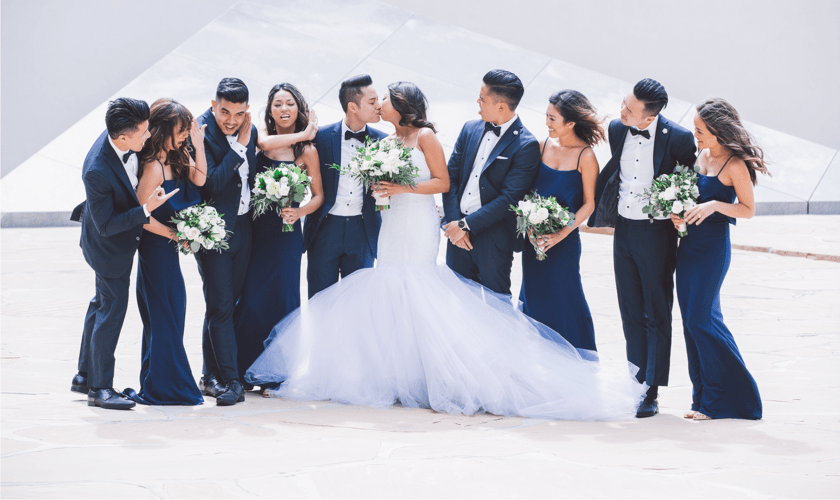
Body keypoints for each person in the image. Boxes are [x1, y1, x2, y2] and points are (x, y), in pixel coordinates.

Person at [246, 82, 645, 420]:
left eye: (385, 100)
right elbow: (454, 177)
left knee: (431, 293)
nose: (380, 104)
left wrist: (446, 215)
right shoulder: (395, 139)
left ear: (401, 108)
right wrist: (422, 206)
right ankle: (395, 372)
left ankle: (448, 374)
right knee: (391, 293)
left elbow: (451, 183)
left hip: (424, 225)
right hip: (396, 224)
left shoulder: (431, 137)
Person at [588, 78, 697, 417]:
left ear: (649, 119)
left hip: (656, 234)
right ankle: (634, 379)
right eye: (624, 103)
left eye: (629, 110)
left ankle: (651, 389)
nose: (621, 111)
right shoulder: (618, 129)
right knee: (630, 309)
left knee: (656, 312)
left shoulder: (679, 139)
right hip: (624, 230)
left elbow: (688, 185)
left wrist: (678, 214)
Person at [70, 97, 179, 410]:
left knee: (100, 303)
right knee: (111, 311)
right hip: (107, 248)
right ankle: (100, 389)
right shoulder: (97, 170)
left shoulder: (119, 133)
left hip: (105, 242)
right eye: (143, 132)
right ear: (122, 138)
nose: (148, 137)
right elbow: (106, 226)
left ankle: (84, 375)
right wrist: (147, 209)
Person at [673, 98, 766, 420]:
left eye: (701, 131)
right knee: (691, 323)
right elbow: (690, 198)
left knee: (702, 320)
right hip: (687, 248)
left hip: (712, 251)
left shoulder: (735, 165)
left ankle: (728, 400)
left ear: (718, 131)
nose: (696, 136)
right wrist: (679, 215)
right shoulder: (701, 155)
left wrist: (714, 206)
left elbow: (748, 209)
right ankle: (702, 400)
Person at [233, 83, 324, 388]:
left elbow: (318, 196)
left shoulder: (308, 151)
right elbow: (263, 145)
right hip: (256, 231)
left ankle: (276, 376)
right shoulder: (260, 138)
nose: (284, 109)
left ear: (299, 108)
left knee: (283, 301)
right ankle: (243, 370)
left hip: (286, 235)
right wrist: (304, 131)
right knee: (251, 299)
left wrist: (299, 212)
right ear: (269, 110)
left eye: (289, 104)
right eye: (277, 104)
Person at [121, 98, 207, 406]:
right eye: (181, 130)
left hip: (169, 252)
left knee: (173, 314)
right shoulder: (153, 167)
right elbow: (141, 217)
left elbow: (200, 178)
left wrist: (198, 144)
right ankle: (165, 388)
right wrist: (176, 233)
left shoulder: (175, 157)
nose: (185, 135)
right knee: (164, 318)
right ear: (164, 130)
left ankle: (157, 381)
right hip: (155, 252)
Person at [519, 90, 604, 359]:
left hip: (563, 244)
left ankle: (577, 359)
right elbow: (529, 193)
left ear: (570, 123)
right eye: (546, 116)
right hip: (533, 242)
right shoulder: (543, 145)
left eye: (552, 118)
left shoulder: (586, 157)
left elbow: (589, 204)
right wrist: (529, 224)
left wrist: (561, 233)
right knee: (533, 297)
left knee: (564, 299)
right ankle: (537, 360)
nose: (547, 122)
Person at [442, 69, 540, 296]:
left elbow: (509, 199)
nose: (477, 102)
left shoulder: (527, 145)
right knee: (453, 303)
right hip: (457, 234)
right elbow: (451, 178)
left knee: (496, 309)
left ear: (501, 106)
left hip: (494, 240)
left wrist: (466, 226)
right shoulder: (469, 128)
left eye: (482, 98)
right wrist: (456, 223)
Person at [193, 78, 257, 406]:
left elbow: (251, 178)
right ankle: (231, 381)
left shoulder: (250, 128)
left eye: (239, 113)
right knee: (219, 307)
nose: (231, 120)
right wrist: (238, 148)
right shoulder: (199, 132)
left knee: (225, 306)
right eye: (224, 112)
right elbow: (211, 185)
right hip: (214, 231)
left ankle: (210, 375)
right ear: (214, 104)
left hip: (244, 227)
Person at [302, 74, 387, 298]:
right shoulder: (320, 138)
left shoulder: (385, 142)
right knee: (320, 300)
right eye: (372, 101)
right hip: (325, 228)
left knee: (358, 302)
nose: (379, 106)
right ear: (353, 107)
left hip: (363, 230)